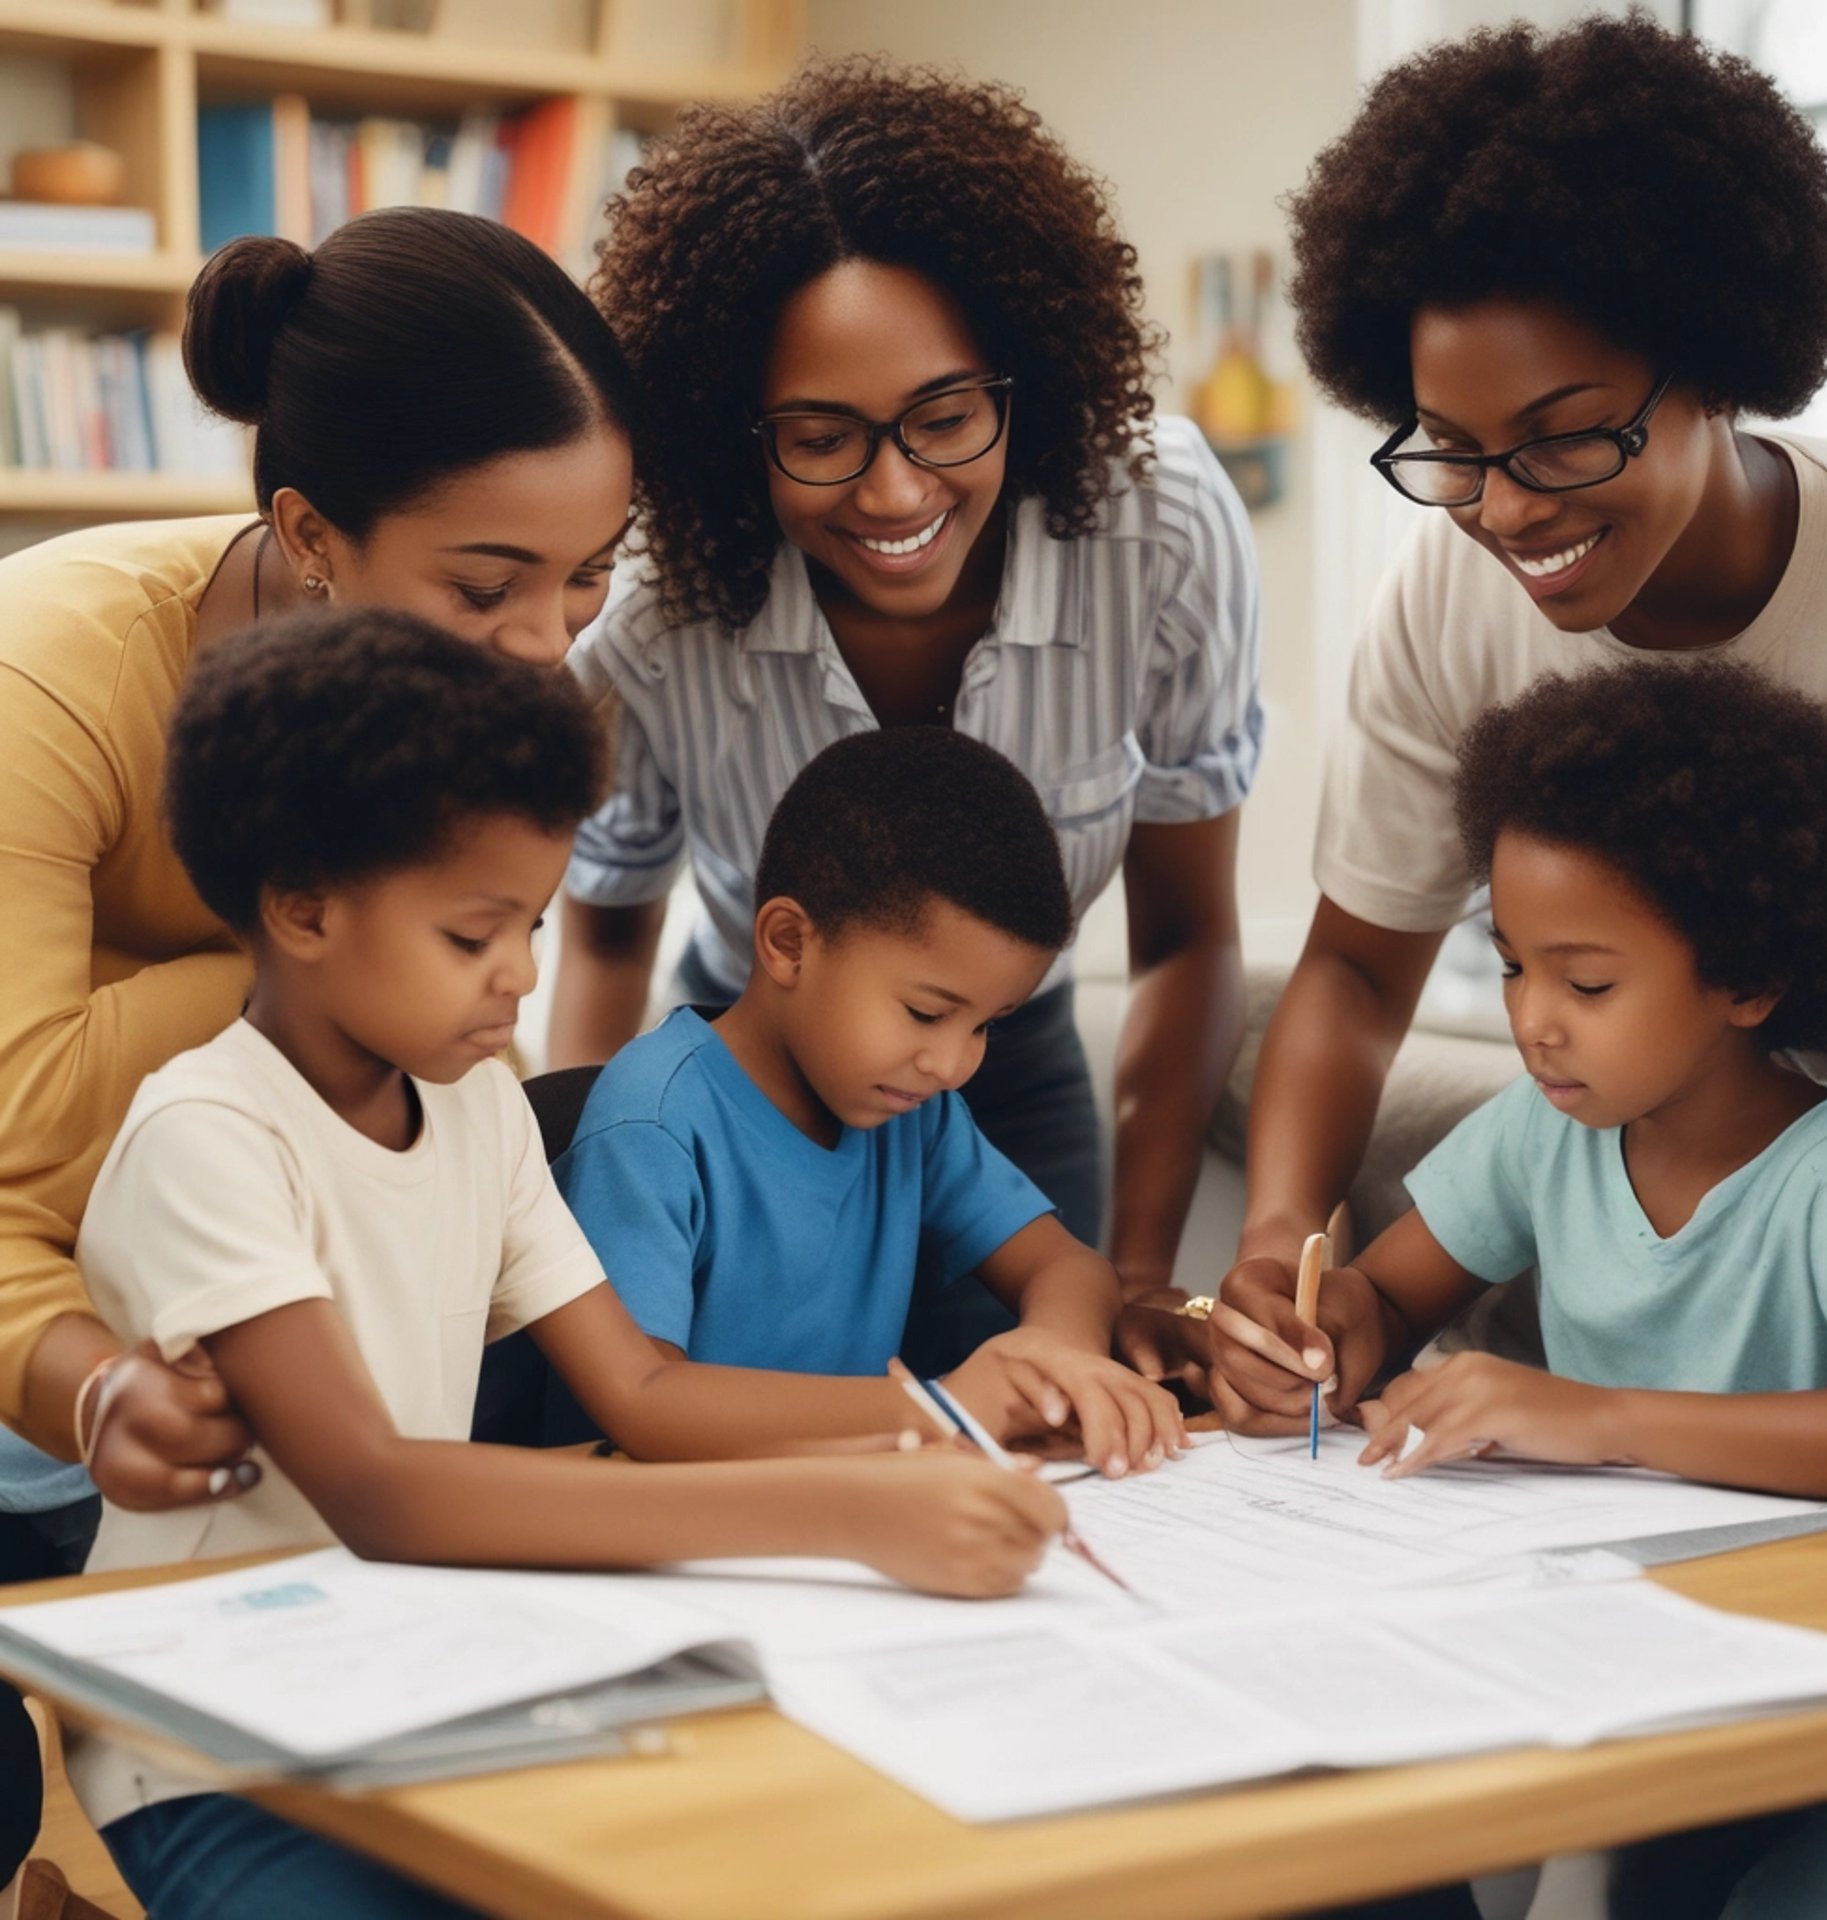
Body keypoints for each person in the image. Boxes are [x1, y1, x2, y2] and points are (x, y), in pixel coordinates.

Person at [70, 609, 1067, 1920]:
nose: (520, 979)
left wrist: (907, 1443)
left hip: (416, 1677)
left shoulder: (480, 1107)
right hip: (206, 1742)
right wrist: (853, 1502)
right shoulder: (213, 1136)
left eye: (533, 928)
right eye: (472, 937)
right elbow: (381, 1490)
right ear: (304, 909)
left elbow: (637, 1398)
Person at [0, 202, 637, 1877]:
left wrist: (393, 967)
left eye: (590, 579)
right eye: (489, 586)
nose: (544, 647)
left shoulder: (449, 760)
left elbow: (442, 1087)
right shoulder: (49, 682)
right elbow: (16, 1126)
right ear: (310, 533)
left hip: (220, 1304)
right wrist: (315, 951)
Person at [1222, 13, 1827, 1380]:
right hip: (1672, 1113)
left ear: (1717, 369)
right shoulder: (1442, 598)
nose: (1506, 509)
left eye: (1563, 439)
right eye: (1455, 451)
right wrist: (1282, 1242)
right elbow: (1360, 971)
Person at [548, 56, 1262, 1383]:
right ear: (729, 429)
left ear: (1021, 380)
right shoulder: (650, 613)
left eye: (944, 418)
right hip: (743, 1092)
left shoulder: (1158, 530)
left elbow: (1187, 937)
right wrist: (567, 1224)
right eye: (821, 438)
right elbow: (602, 945)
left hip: (1017, 1056)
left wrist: (1146, 1281)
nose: (892, 494)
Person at [1216, 660, 1827, 1918]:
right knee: (1338, 1834)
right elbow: (1384, 1302)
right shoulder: (1551, 1130)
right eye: (1513, 966)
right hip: (1644, 1680)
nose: (1535, 1020)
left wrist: (1593, 1416)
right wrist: (1320, 1333)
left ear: (1748, 981)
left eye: (1586, 983)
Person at [553, 728, 1189, 1477]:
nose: (953, 1064)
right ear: (788, 942)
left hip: (847, 1511)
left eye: (983, 1024)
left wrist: (1049, 1359)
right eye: (926, 1013)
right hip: (656, 1528)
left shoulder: (912, 1115)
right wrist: (939, 1409)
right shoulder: (652, 1123)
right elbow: (645, 1402)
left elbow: (1071, 1269)